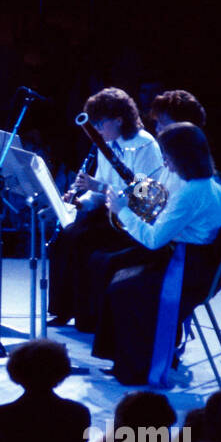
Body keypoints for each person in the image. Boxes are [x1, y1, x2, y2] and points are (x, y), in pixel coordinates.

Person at [91, 122, 221, 386]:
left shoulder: (193, 192)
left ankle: (139, 367)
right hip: (185, 257)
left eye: (168, 155)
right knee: (113, 268)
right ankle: (125, 358)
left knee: (125, 289)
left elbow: (154, 240)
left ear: (183, 156)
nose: (164, 162)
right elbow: (164, 213)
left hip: (190, 271)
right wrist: (137, 200)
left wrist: (123, 211)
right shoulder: (205, 183)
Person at [48, 87, 163, 328]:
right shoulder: (106, 144)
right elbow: (97, 192)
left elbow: (144, 194)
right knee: (66, 238)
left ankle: (89, 318)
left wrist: (99, 186)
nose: (96, 129)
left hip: (131, 219)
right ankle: (64, 309)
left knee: (89, 247)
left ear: (119, 120)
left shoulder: (144, 145)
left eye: (100, 123)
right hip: (110, 212)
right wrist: (80, 202)